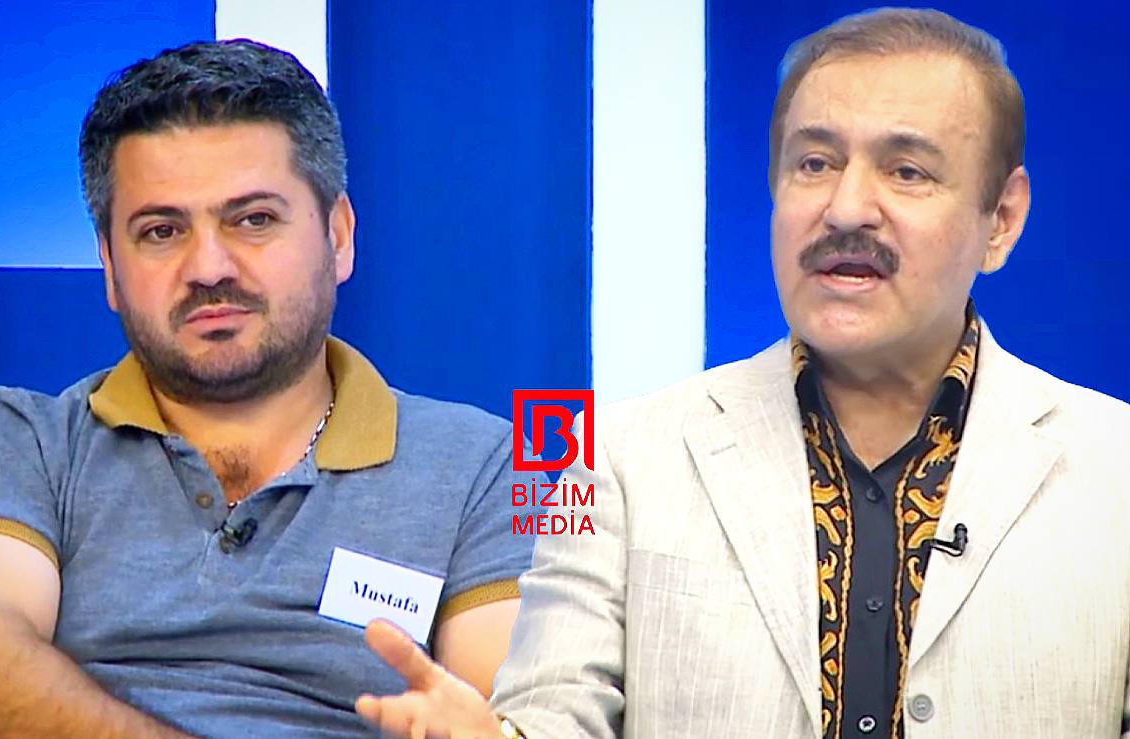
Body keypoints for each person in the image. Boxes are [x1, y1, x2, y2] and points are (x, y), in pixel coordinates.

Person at [356, 8, 1130, 738]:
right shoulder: (618, 458)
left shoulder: (1114, 467)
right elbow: (556, 710)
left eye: (906, 171)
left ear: (1002, 219)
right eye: (815, 163)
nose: (846, 208)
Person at [0, 40, 536, 738]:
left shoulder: (488, 467)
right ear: (109, 265)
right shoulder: (21, 442)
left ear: (339, 236)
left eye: (253, 220)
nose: (208, 267)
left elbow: (508, 709)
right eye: (161, 231)